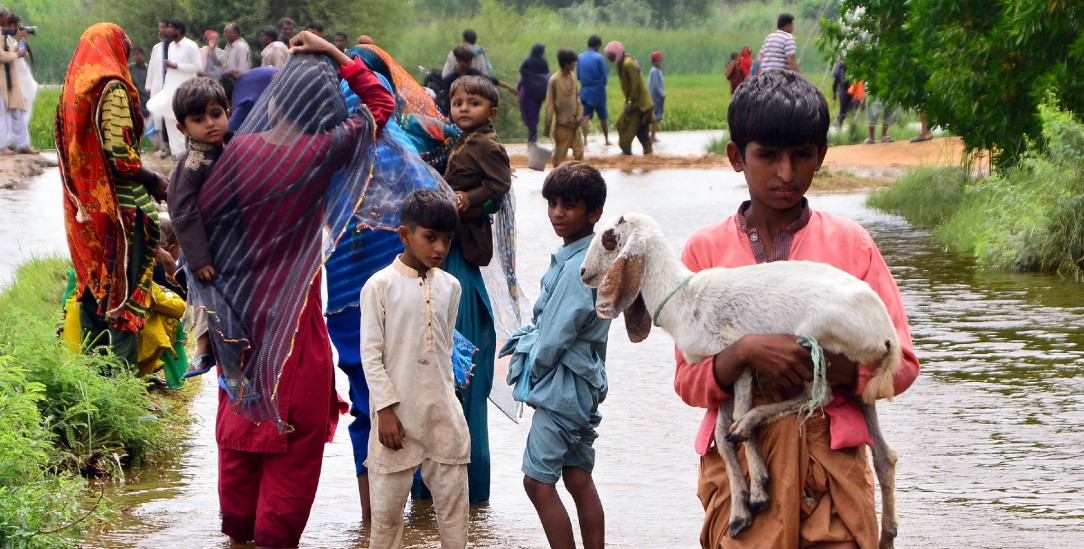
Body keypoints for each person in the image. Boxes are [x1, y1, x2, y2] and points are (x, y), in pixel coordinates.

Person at [674, 70, 920, 548]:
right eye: (768, 156)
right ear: (735, 157)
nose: (786, 173)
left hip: (833, 463)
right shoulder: (703, 254)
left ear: (821, 156)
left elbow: (902, 363)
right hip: (743, 470)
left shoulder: (851, 245)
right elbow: (688, 380)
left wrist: (820, 368)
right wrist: (744, 352)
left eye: (802, 155)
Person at [187, 30, 394, 547]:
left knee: (240, 439)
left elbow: (195, 217)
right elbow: (379, 101)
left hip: (240, 324)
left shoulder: (232, 153)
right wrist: (333, 53)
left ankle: (237, 532)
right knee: (293, 443)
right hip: (296, 330)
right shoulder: (324, 150)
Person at [500, 161, 610, 549]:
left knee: (537, 481)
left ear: (594, 213)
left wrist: (535, 374)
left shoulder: (579, 267)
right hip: (584, 383)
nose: (558, 214)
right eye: (553, 204)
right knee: (577, 476)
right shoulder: (589, 258)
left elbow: (553, 337)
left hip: (564, 387)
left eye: (570, 206)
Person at [360, 189, 470, 548]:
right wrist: (386, 410)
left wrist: (452, 404)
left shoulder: (451, 287)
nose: (439, 248)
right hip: (397, 417)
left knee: (455, 518)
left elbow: (445, 349)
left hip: (443, 414)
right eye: (430, 237)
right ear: (405, 235)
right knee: (387, 523)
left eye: (447, 239)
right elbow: (371, 357)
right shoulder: (380, 286)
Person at [56, 23, 170, 368]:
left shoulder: (74, 89)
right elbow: (120, 157)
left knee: (93, 294)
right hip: (121, 211)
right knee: (123, 297)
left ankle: (93, 384)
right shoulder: (113, 87)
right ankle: (120, 386)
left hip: (85, 209)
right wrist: (153, 179)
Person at [439, 75, 513, 505]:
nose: (464, 109)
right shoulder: (460, 139)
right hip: (455, 248)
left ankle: (469, 496)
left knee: (461, 373)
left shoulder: (485, 144)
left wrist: (469, 200)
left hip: (466, 249)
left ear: (491, 111)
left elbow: (500, 191)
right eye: (458, 102)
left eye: (474, 103)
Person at [166, 77, 231, 378]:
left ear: (227, 111)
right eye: (198, 119)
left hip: (229, 244)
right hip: (203, 251)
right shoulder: (191, 165)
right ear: (182, 128)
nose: (210, 124)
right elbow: (182, 213)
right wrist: (199, 259)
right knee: (207, 298)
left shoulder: (232, 147)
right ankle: (203, 349)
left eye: (216, 114)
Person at [149, 19, 200, 158]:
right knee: (170, 119)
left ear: (178, 30)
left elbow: (197, 66)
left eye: (170, 28)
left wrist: (177, 65)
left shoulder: (191, 46)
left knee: (187, 120)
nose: (167, 30)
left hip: (186, 91)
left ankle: (193, 151)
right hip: (170, 90)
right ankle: (178, 153)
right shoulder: (171, 46)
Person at [604, 41, 654, 156]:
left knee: (623, 126)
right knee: (642, 131)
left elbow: (635, 85)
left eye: (610, 55)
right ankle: (649, 156)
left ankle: (626, 153)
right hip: (638, 102)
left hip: (639, 104)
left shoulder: (628, 64)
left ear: (616, 53)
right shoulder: (620, 64)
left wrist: (630, 102)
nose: (608, 57)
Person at [440, 45, 518, 116]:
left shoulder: (473, 72)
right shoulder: (449, 80)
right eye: (467, 61)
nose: (470, 63)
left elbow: (492, 80)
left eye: (471, 60)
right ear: (459, 61)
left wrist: (511, 89)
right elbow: (448, 103)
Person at [542, 48, 583, 167]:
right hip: (562, 126)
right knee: (560, 159)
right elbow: (549, 105)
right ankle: (558, 181)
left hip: (574, 125)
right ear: (567, 64)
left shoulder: (573, 77)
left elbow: (577, 99)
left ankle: (578, 179)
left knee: (579, 153)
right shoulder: (554, 80)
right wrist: (547, 125)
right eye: (573, 62)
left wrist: (580, 116)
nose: (575, 64)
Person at [0, 12, 32, 154]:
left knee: (17, 110)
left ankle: (23, 145)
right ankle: (2, 147)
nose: (7, 19)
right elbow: (2, 55)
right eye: (5, 18)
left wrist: (21, 39)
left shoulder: (5, 36)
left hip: (10, 79)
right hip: (1, 79)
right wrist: (16, 54)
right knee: (1, 113)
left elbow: (20, 51)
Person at [577, 35, 610, 148]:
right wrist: (601, 84)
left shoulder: (580, 57)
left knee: (585, 115)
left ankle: (585, 140)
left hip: (585, 89)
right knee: (603, 116)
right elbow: (604, 78)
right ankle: (606, 139)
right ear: (597, 46)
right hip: (598, 89)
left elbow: (578, 76)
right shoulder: (599, 58)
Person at [145, 20, 172, 155]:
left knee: (173, 116)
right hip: (158, 88)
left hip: (172, 88)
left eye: (163, 28)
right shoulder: (157, 48)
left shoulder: (177, 46)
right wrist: (149, 85)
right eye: (159, 28)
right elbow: (151, 67)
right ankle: (165, 146)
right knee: (159, 117)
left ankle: (175, 146)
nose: (160, 31)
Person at [517, 43, 549, 145]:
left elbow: (523, 75)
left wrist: (518, 89)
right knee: (534, 116)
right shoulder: (544, 62)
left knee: (528, 116)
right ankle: (532, 140)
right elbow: (546, 78)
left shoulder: (527, 61)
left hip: (526, 92)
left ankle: (532, 139)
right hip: (538, 95)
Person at [129, 46, 150, 118]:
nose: (135, 57)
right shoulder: (130, 68)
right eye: (134, 55)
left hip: (148, 103)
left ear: (142, 54)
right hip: (136, 104)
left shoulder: (149, 69)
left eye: (137, 54)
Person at [648, 51, 665, 143]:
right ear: (654, 62)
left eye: (660, 60)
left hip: (657, 97)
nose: (659, 62)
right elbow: (655, 85)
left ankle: (652, 135)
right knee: (656, 117)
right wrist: (662, 94)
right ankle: (653, 136)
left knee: (656, 117)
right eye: (658, 61)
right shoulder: (654, 71)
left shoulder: (657, 71)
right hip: (656, 98)